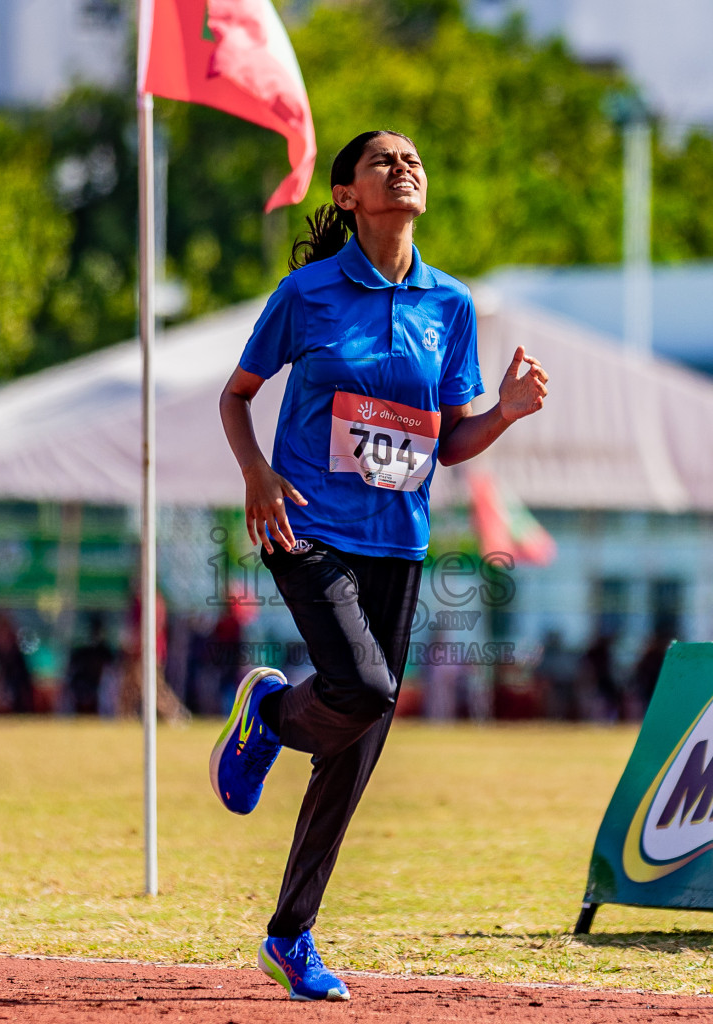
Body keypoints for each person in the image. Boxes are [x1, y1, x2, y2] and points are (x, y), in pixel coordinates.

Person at [211, 131, 548, 1001]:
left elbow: (453, 438)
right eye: (382, 162)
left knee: (356, 749)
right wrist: (256, 472)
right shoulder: (308, 294)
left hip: (399, 542)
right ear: (348, 194)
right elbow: (237, 395)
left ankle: (290, 936)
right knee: (364, 689)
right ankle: (272, 716)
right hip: (306, 525)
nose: (405, 167)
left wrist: (504, 412)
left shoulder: (451, 306)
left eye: (414, 160)